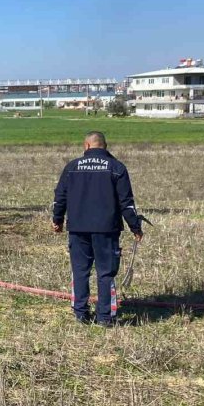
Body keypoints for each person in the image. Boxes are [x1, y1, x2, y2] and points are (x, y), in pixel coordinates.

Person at [52, 131, 143, 327]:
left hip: (77, 229)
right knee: (106, 273)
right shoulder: (117, 167)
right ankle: (105, 317)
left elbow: (60, 197)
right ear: (105, 146)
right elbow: (126, 202)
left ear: (86, 146)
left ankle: (80, 314)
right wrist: (135, 227)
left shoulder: (72, 167)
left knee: (80, 271)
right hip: (106, 230)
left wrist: (57, 220)